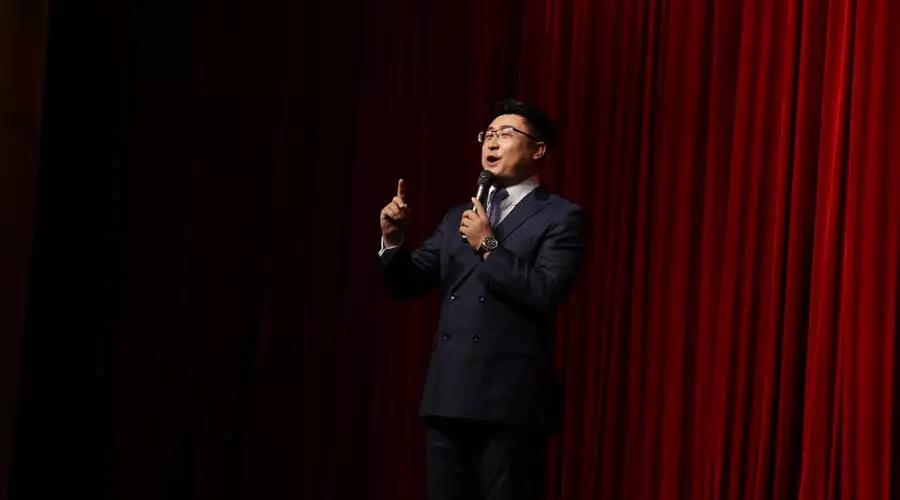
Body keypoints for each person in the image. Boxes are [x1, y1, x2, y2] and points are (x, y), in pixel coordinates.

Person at [378, 99, 585, 500]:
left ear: (538, 149)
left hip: (509, 403)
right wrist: (394, 240)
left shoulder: (560, 216)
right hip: (448, 395)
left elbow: (545, 291)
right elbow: (407, 284)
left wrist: (489, 245)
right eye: (488, 134)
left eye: (506, 134)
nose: (492, 142)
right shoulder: (460, 215)